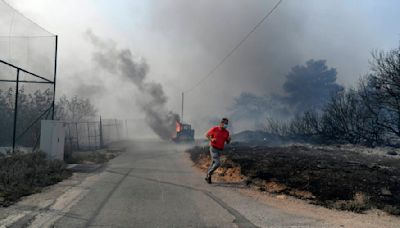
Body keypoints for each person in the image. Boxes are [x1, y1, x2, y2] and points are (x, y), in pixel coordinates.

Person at [204, 117, 231, 184]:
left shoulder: (226, 132)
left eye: (227, 124)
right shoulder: (215, 129)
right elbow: (207, 135)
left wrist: (229, 140)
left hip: (220, 149)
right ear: (221, 123)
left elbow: (227, 142)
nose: (226, 125)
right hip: (213, 148)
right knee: (217, 163)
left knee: (213, 163)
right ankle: (209, 173)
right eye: (225, 123)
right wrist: (211, 139)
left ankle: (208, 177)